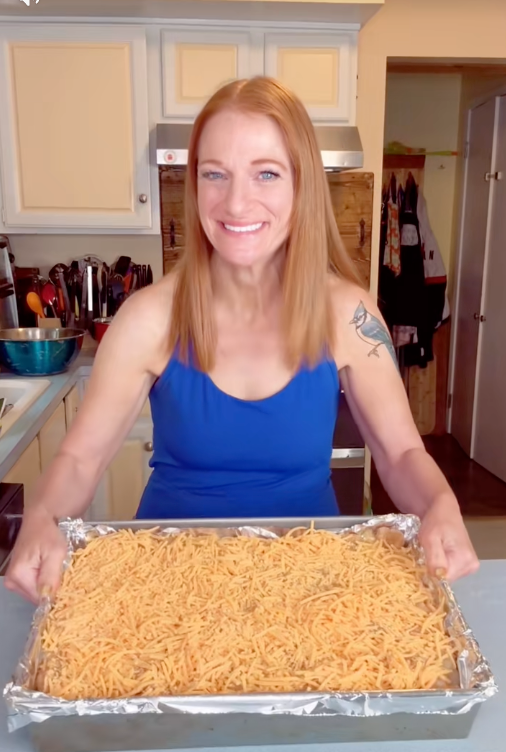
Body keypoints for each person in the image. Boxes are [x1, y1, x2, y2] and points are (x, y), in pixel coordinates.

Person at [4, 77, 478, 604]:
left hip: (307, 586)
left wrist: (439, 506)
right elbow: (80, 460)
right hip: (168, 588)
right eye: (215, 174)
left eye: (266, 174)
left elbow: (402, 451)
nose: (236, 202)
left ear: (301, 185)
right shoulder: (149, 317)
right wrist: (43, 517)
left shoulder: (350, 315)